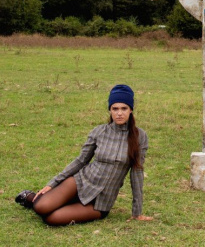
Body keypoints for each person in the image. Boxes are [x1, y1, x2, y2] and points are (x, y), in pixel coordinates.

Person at [15, 85, 153, 226]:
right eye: (115, 109)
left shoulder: (139, 136)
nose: (119, 113)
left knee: (52, 219)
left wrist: (137, 212)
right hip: (81, 182)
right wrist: (52, 184)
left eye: (124, 108)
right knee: (41, 207)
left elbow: (137, 172)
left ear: (131, 110)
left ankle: (50, 201)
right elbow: (81, 160)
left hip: (101, 201)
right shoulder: (99, 131)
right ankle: (33, 198)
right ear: (110, 110)